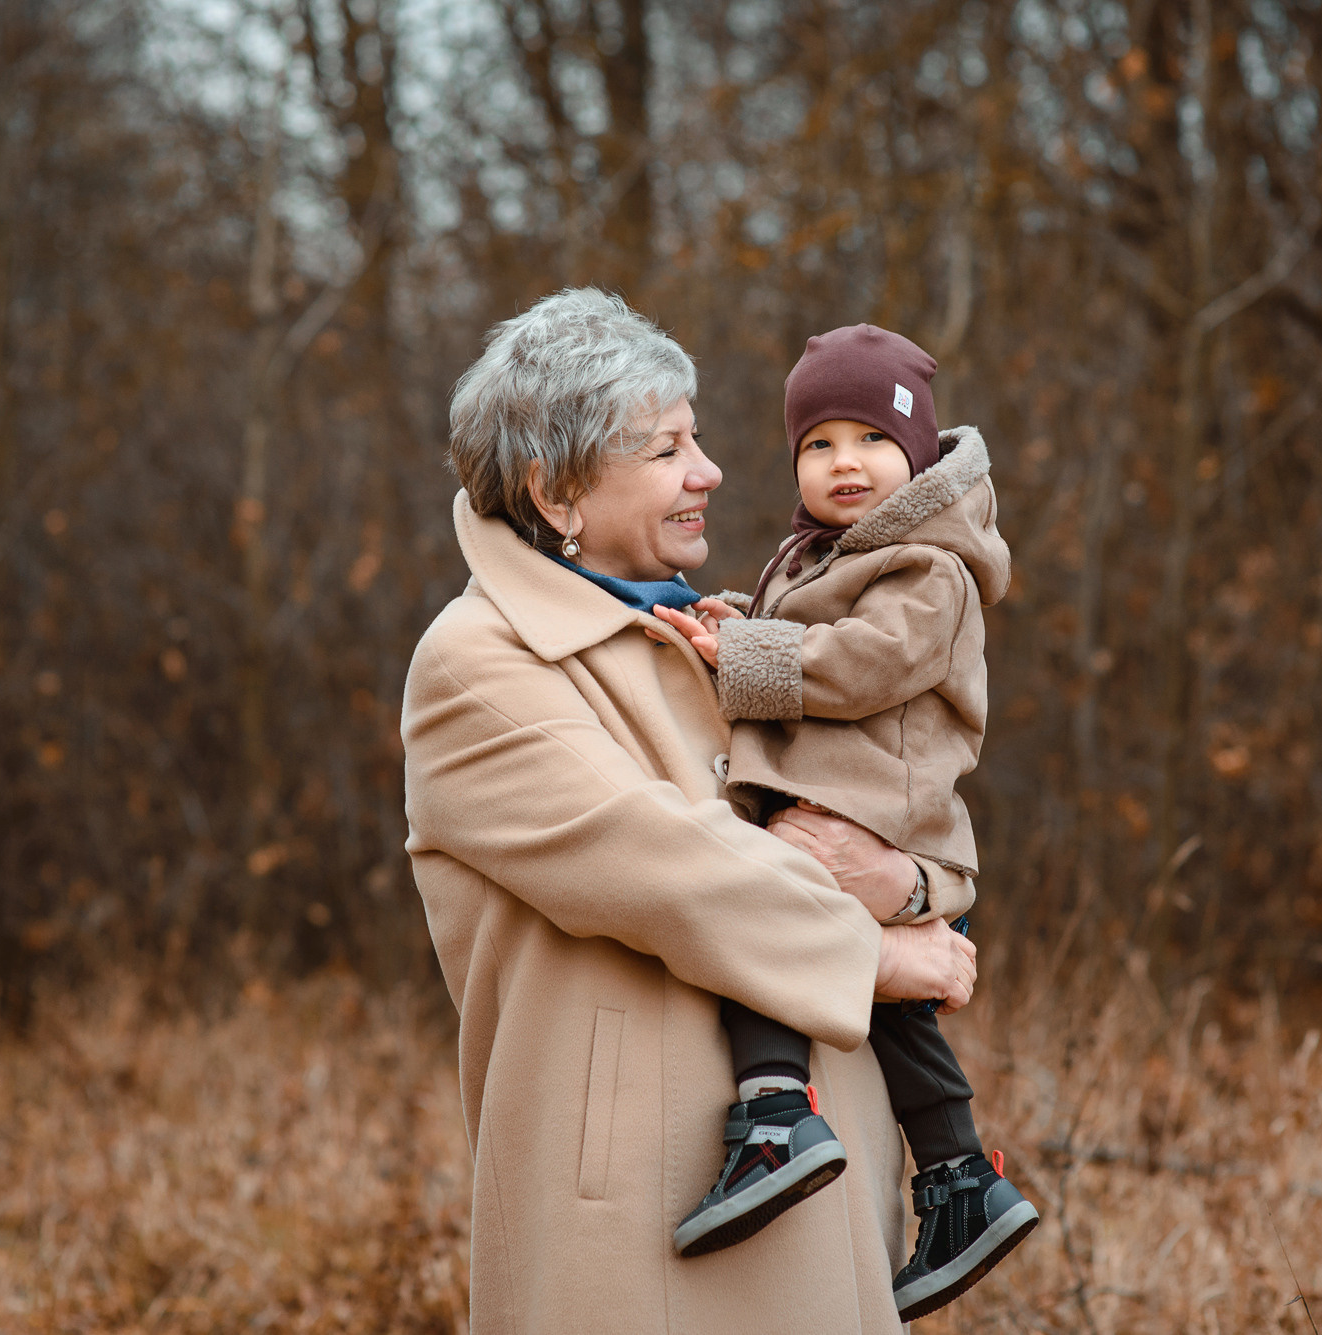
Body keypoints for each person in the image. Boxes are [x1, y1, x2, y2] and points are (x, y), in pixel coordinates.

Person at [401, 288, 980, 1334]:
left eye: (698, 438)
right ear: (557, 489)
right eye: (668, 449)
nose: (710, 471)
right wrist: (876, 953)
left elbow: (892, 797)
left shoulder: (723, 641)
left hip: (819, 1181)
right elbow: (670, 865)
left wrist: (921, 883)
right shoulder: (477, 662)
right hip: (634, 1216)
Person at [652, 324, 1037, 1322]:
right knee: (895, 1012)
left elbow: (861, 664)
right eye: (816, 444)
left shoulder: (931, 568)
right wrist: (737, 630)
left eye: (866, 438)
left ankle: (773, 1110)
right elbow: (807, 643)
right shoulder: (822, 555)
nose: (842, 462)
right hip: (847, 800)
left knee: (764, 901)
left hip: (876, 809)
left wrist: (746, 661)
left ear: (914, 450)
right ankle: (958, 1179)